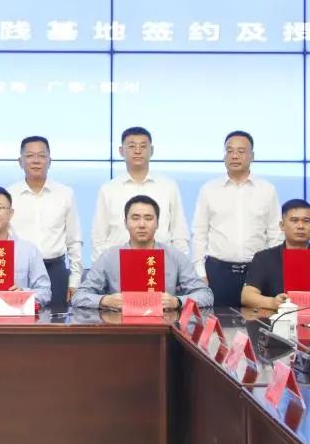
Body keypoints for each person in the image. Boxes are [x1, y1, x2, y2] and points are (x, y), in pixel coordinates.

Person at [73, 195, 213, 310]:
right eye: (135, 218)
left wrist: (177, 301)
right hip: (119, 326)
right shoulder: (109, 256)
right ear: (125, 223)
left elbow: (205, 295)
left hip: (164, 327)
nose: (141, 225)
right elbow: (79, 296)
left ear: (157, 223)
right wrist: (105, 300)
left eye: (148, 218)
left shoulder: (175, 256)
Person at [191, 130, 282, 308]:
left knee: (258, 323)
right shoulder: (209, 189)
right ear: (224, 156)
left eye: (241, 151)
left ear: (252, 156)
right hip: (218, 272)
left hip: (257, 273)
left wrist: (272, 272)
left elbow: (275, 234)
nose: (234, 156)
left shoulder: (267, 190)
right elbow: (199, 233)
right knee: (217, 322)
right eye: (230, 151)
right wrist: (200, 272)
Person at [90, 126, 189, 261]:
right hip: (119, 263)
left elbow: (179, 233)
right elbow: (99, 236)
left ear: (151, 150)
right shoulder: (108, 189)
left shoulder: (168, 186)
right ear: (121, 151)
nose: (137, 151)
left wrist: (181, 266)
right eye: (131, 146)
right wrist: (102, 267)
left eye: (143, 146)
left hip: (160, 263)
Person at [7, 135, 82, 311]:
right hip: (19, 272)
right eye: (30, 156)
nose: (36, 160)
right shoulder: (9, 195)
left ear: (50, 161)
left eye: (41, 155)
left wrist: (75, 280)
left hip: (55, 270)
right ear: (20, 161)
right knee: (16, 320)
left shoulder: (65, 194)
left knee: (56, 321)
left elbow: (74, 240)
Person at [240, 199, 310, 313]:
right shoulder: (263, 258)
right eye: (294, 220)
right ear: (282, 225)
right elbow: (247, 296)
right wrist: (272, 303)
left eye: (306, 221)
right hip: (276, 320)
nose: (300, 226)